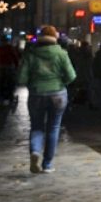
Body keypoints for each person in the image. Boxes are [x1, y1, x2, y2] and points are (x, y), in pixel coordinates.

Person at [16, 26, 76, 173]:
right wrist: (60, 83)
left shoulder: (30, 54)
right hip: (58, 94)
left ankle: (35, 151)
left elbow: (21, 78)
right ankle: (47, 164)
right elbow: (71, 76)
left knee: (36, 126)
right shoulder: (61, 53)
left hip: (37, 94)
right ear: (55, 37)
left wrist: (33, 84)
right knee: (53, 128)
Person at [0, 35, 21, 106]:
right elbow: (15, 58)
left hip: (1, 67)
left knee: (1, 82)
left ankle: (1, 96)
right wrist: (17, 66)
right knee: (10, 82)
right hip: (9, 67)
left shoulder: (0, 48)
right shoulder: (10, 48)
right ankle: (10, 96)